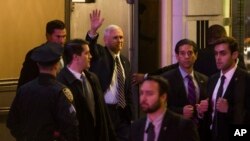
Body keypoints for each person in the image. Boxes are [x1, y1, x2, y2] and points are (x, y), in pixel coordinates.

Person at [7, 42, 78, 141]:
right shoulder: (61, 92)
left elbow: (12, 123)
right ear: (56, 65)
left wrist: (25, 136)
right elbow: (71, 127)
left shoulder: (24, 89)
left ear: (38, 64)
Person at [85, 9, 134, 141]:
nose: (119, 40)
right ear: (105, 40)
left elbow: (128, 90)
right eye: (115, 37)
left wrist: (132, 115)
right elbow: (91, 47)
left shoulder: (125, 61)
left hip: (123, 113)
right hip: (106, 111)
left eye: (121, 37)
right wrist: (93, 31)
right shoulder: (100, 54)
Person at [57, 39, 117, 141]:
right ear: (76, 57)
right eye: (87, 53)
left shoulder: (92, 78)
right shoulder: (61, 82)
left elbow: (103, 112)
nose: (91, 56)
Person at [203, 37, 250, 141]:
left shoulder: (246, 80)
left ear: (234, 55)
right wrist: (202, 110)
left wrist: (229, 110)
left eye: (223, 53)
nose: (218, 58)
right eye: (216, 53)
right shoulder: (212, 79)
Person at [161, 39, 208, 140]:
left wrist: (201, 111)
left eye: (190, 53)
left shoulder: (204, 79)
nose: (186, 57)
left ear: (196, 56)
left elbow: (207, 107)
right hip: (175, 133)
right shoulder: (166, 79)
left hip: (200, 134)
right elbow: (160, 108)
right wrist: (180, 111)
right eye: (182, 53)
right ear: (177, 56)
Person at [130, 76, 199, 141]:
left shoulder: (183, 126)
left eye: (149, 93)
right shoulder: (136, 127)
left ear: (163, 97)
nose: (143, 99)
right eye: (141, 93)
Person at [17, 19, 66, 88]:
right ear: (48, 36)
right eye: (58, 37)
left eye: (64, 36)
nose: (62, 41)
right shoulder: (35, 54)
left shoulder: (68, 52)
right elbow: (24, 82)